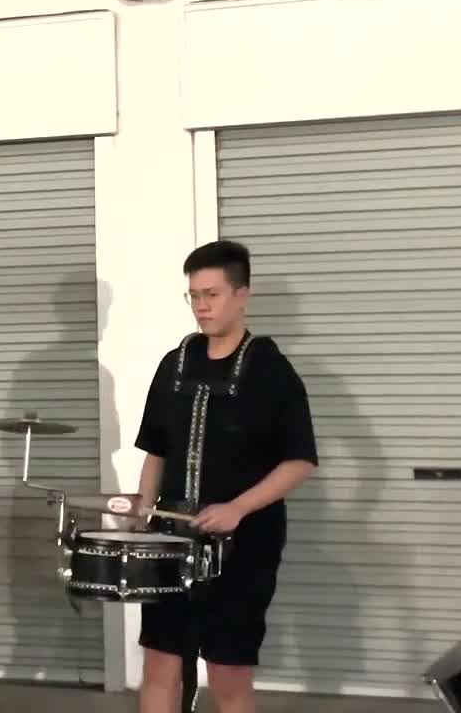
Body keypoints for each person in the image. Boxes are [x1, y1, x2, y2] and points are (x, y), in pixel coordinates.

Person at [131, 240, 318, 713]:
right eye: (194, 295)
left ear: (242, 295)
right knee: (160, 663)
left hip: (244, 545)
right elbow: (156, 451)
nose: (201, 306)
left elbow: (300, 461)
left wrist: (238, 508)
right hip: (171, 539)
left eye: (211, 294)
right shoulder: (173, 364)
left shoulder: (271, 370)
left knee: (227, 671)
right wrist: (142, 508)